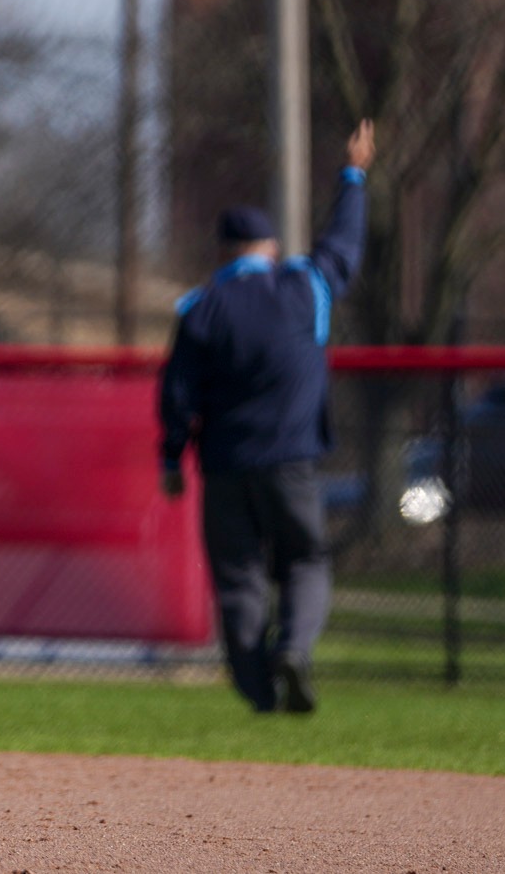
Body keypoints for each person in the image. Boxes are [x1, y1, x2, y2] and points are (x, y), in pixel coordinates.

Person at [159, 120, 376, 715]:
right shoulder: (305, 286)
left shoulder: (202, 307)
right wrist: (353, 176)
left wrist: (171, 457)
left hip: (226, 467)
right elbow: (344, 247)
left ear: (224, 253)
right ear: (270, 250)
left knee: (238, 577)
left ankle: (257, 689)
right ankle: (295, 649)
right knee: (305, 560)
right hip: (293, 463)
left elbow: (177, 391)